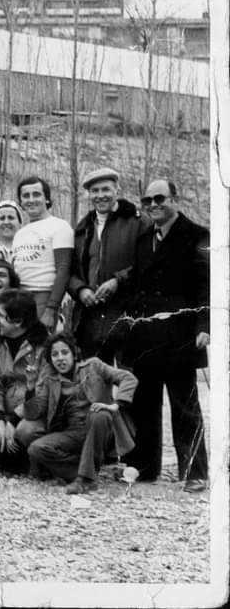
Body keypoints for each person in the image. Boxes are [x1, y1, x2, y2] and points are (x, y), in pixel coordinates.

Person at [122, 179, 209, 492]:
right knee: (145, 404)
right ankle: (146, 468)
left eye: (159, 198)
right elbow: (136, 281)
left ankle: (195, 472)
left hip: (181, 335)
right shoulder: (145, 237)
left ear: (175, 198)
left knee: (184, 406)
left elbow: (205, 285)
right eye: (147, 200)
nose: (153, 205)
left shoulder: (198, 235)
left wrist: (204, 326)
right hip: (146, 335)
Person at [24, 335, 137, 494]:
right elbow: (33, 413)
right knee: (36, 448)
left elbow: (128, 378)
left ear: (74, 353)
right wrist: (30, 386)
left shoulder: (94, 366)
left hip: (102, 429)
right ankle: (87, 473)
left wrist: (115, 405)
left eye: (65, 352)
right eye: (55, 355)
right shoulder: (51, 380)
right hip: (73, 433)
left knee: (98, 414)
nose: (60, 358)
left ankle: (86, 479)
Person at [67, 167, 147, 362]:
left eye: (105, 190)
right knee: (94, 384)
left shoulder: (138, 222)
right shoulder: (82, 228)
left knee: (130, 385)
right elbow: (70, 272)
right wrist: (80, 291)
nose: (100, 195)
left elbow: (149, 263)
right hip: (90, 319)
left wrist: (117, 281)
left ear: (117, 191)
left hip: (127, 315)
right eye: (95, 191)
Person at [0, 288, 50, 472]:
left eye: (2, 316)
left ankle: (37, 460)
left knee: (26, 431)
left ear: (18, 321)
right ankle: (18, 461)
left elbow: (42, 391)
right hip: (6, 408)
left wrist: (12, 420)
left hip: (34, 412)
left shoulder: (44, 345)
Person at [11, 176, 74, 330]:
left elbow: (64, 269)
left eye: (36, 194)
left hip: (45, 296)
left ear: (46, 198)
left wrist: (51, 309)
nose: (31, 200)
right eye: (26, 196)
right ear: (20, 202)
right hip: (20, 297)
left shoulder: (60, 226)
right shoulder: (20, 233)